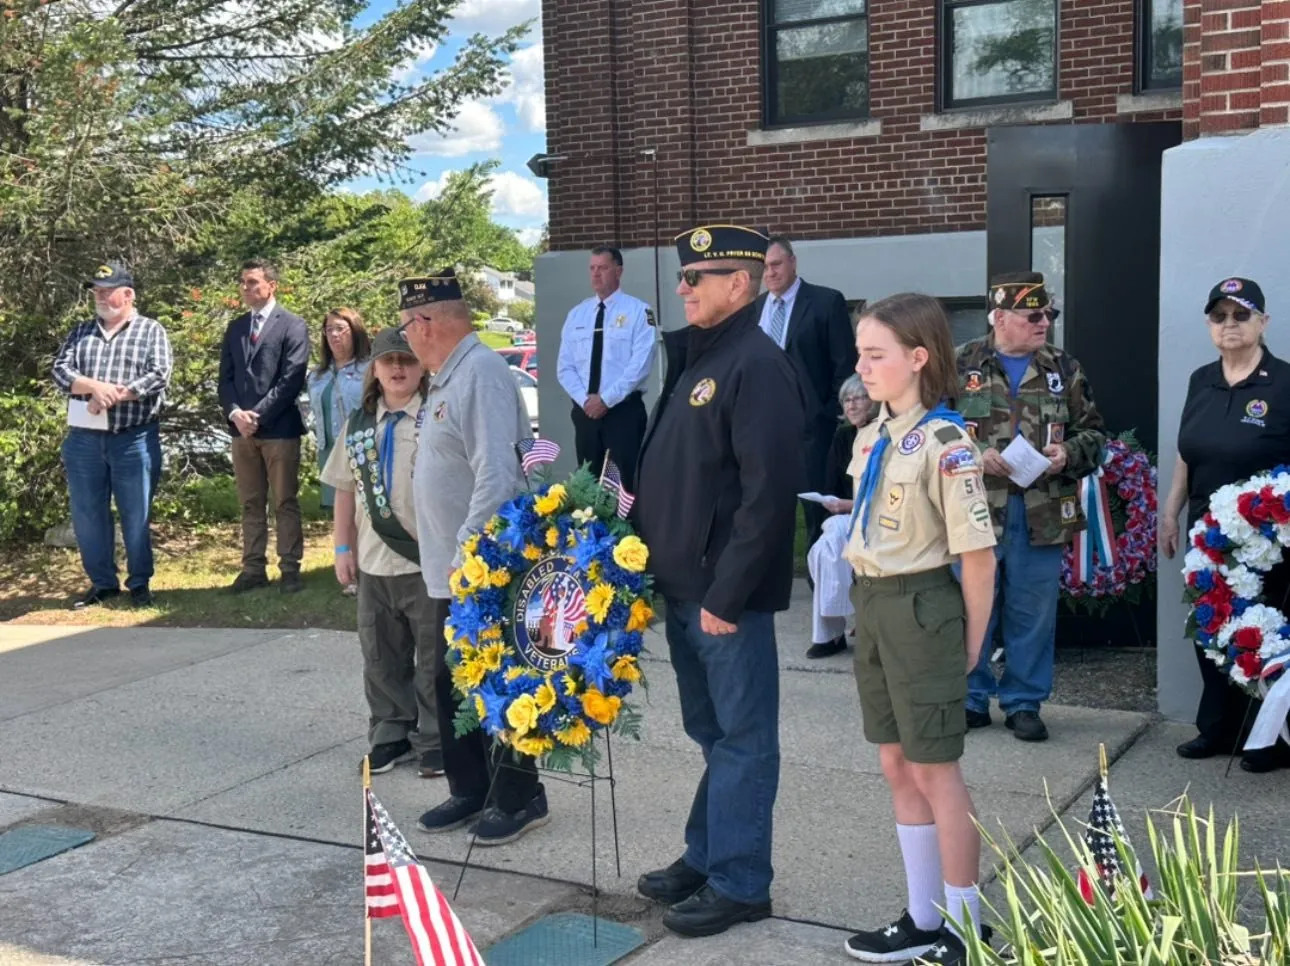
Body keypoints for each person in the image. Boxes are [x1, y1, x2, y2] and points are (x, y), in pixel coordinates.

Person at [633, 225, 805, 939]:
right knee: (712, 733)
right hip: (682, 587)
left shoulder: (755, 365)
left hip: (720, 598)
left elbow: (767, 497)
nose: (683, 288)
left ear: (738, 285)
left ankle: (740, 881)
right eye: (683, 277)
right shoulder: (699, 357)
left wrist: (726, 596)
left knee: (742, 738)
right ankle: (708, 854)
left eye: (696, 278)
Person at [842, 293, 997, 966]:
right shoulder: (873, 434)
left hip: (922, 609)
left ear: (917, 358)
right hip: (873, 605)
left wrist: (970, 644)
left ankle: (966, 930)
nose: (862, 367)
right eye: (860, 354)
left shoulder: (946, 441)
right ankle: (922, 916)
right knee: (895, 761)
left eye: (876, 355)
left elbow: (976, 554)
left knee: (937, 771)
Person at [399, 269, 551, 845]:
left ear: (428, 322)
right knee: (450, 681)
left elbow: (498, 473)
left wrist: (469, 550)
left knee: (496, 682)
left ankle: (519, 796)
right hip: (448, 566)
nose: (407, 337)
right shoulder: (446, 376)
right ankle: (471, 788)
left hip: (478, 565)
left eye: (409, 325)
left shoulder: (481, 373)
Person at [955, 272, 1105, 742]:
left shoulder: (1065, 367)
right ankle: (970, 697)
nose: (1044, 323)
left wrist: (1068, 454)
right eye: (1033, 315)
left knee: (1033, 611)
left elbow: (1094, 434)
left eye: (1048, 315)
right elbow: (930, 432)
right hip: (976, 509)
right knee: (971, 607)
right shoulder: (961, 363)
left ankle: (1023, 702)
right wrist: (974, 456)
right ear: (999, 318)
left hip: (1042, 509)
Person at [1162, 277, 1290, 774]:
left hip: (1269, 543)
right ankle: (1216, 728)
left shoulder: (1283, 382)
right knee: (1211, 628)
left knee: (1268, 632)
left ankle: (1269, 740)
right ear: (1209, 324)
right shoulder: (1201, 379)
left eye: (1241, 315)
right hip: (1208, 537)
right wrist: (1170, 512)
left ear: (1263, 322)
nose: (1229, 325)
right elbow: (1184, 454)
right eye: (1220, 316)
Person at [322, 328, 442, 778]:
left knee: (433, 655)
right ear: (373, 367)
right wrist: (341, 548)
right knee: (380, 654)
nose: (397, 369)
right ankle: (391, 732)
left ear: (422, 367)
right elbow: (345, 491)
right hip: (373, 560)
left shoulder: (435, 418)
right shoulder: (358, 426)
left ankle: (434, 738)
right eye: (388, 360)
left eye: (407, 361)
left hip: (424, 560)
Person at [52, 262, 173, 609]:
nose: (101, 297)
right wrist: (95, 387)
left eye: (108, 290)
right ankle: (103, 584)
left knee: (136, 513)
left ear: (128, 294)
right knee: (88, 513)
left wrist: (114, 395)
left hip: (133, 438)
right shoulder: (81, 332)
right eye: (97, 292)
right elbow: (60, 370)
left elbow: (158, 375)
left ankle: (139, 584)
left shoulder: (151, 331)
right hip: (84, 440)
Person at [754, 236, 858, 550]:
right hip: (764, 431)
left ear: (792, 262)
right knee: (765, 515)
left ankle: (822, 589)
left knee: (818, 514)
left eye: (776, 264)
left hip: (813, 430)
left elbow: (844, 364)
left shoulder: (826, 302)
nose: (770, 273)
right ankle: (768, 589)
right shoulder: (754, 309)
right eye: (764, 267)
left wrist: (827, 413)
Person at [217, 258, 311, 595]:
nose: (246, 288)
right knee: (250, 503)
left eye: (253, 282)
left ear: (271, 285)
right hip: (241, 432)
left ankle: (290, 569)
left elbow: (292, 378)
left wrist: (258, 415)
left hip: (279, 429)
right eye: (243, 282)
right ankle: (253, 569)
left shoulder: (293, 325)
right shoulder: (236, 327)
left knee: (284, 501)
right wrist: (235, 413)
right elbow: (225, 379)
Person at [556, 245, 657, 488]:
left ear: (618, 271)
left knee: (625, 486)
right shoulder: (577, 314)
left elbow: (640, 363)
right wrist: (586, 401)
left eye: (603, 268)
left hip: (622, 413)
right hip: (585, 413)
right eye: (592, 268)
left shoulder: (638, 311)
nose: (596, 274)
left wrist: (606, 400)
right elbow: (565, 367)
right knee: (587, 485)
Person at [804, 375, 874, 659]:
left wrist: (852, 505)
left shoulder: (886, 434)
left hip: (879, 516)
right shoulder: (844, 436)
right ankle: (832, 631)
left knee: (832, 539)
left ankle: (832, 632)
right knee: (825, 547)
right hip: (847, 516)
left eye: (858, 398)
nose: (852, 405)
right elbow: (830, 486)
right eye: (847, 399)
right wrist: (834, 503)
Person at [308, 307, 371, 597]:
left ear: (354, 331)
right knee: (342, 513)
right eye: (329, 329)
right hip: (330, 450)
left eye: (340, 329)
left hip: (362, 447)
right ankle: (350, 570)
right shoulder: (318, 375)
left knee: (364, 510)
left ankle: (369, 570)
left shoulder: (369, 368)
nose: (334, 335)